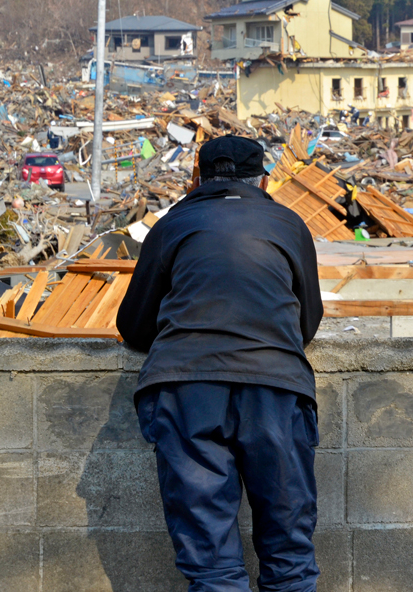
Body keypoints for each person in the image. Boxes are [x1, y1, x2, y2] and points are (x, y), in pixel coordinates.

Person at [116, 135, 324, 592]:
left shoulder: (172, 226)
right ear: (265, 179)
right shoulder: (288, 224)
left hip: (187, 392)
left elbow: (133, 326)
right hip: (276, 391)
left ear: (196, 178)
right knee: (289, 552)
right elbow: (308, 322)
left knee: (210, 560)